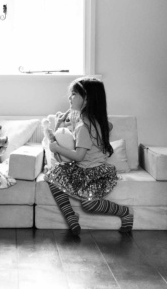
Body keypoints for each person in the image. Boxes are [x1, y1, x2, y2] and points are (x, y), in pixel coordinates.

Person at [45, 77, 133, 235]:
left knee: (89, 205)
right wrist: (63, 123)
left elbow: (78, 155)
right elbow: (97, 130)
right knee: (52, 176)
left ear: (87, 99)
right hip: (84, 169)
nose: (69, 98)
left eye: (73, 94)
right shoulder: (97, 122)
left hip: (94, 173)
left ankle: (125, 212)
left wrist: (56, 147)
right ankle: (70, 216)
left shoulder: (84, 127)